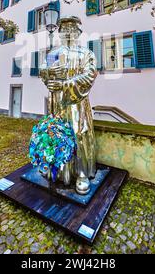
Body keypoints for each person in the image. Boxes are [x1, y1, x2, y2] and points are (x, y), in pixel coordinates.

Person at [39, 16, 98, 195]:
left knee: (79, 134)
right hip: (57, 103)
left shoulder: (87, 54)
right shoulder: (53, 54)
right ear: (60, 33)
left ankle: (81, 173)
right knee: (55, 134)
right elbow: (43, 73)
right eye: (64, 29)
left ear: (78, 33)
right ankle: (55, 169)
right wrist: (48, 73)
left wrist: (65, 84)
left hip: (76, 103)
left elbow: (90, 76)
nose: (68, 32)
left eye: (72, 29)